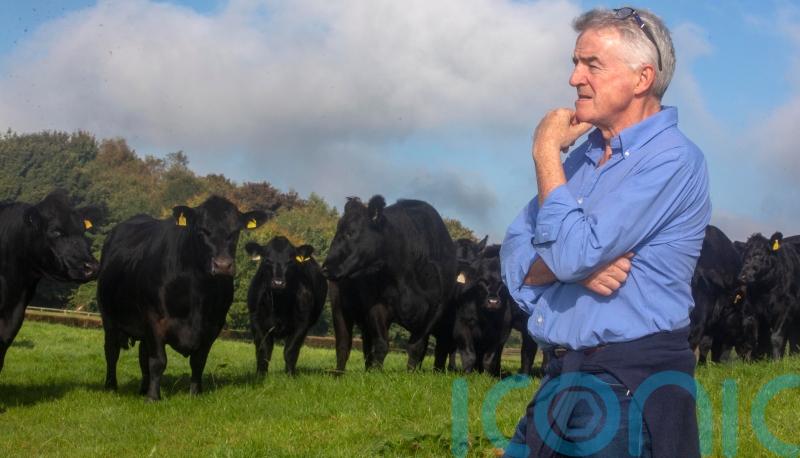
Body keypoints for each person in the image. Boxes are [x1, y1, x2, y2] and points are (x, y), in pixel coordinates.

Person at [500, 6, 710, 458]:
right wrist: (565, 270)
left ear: (641, 78)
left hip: (628, 385)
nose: (575, 78)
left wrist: (543, 152)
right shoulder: (581, 157)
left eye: (592, 64)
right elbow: (513, 249)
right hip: (561, 378)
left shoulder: (672, 160)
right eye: (576, 63)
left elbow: (572, 252)